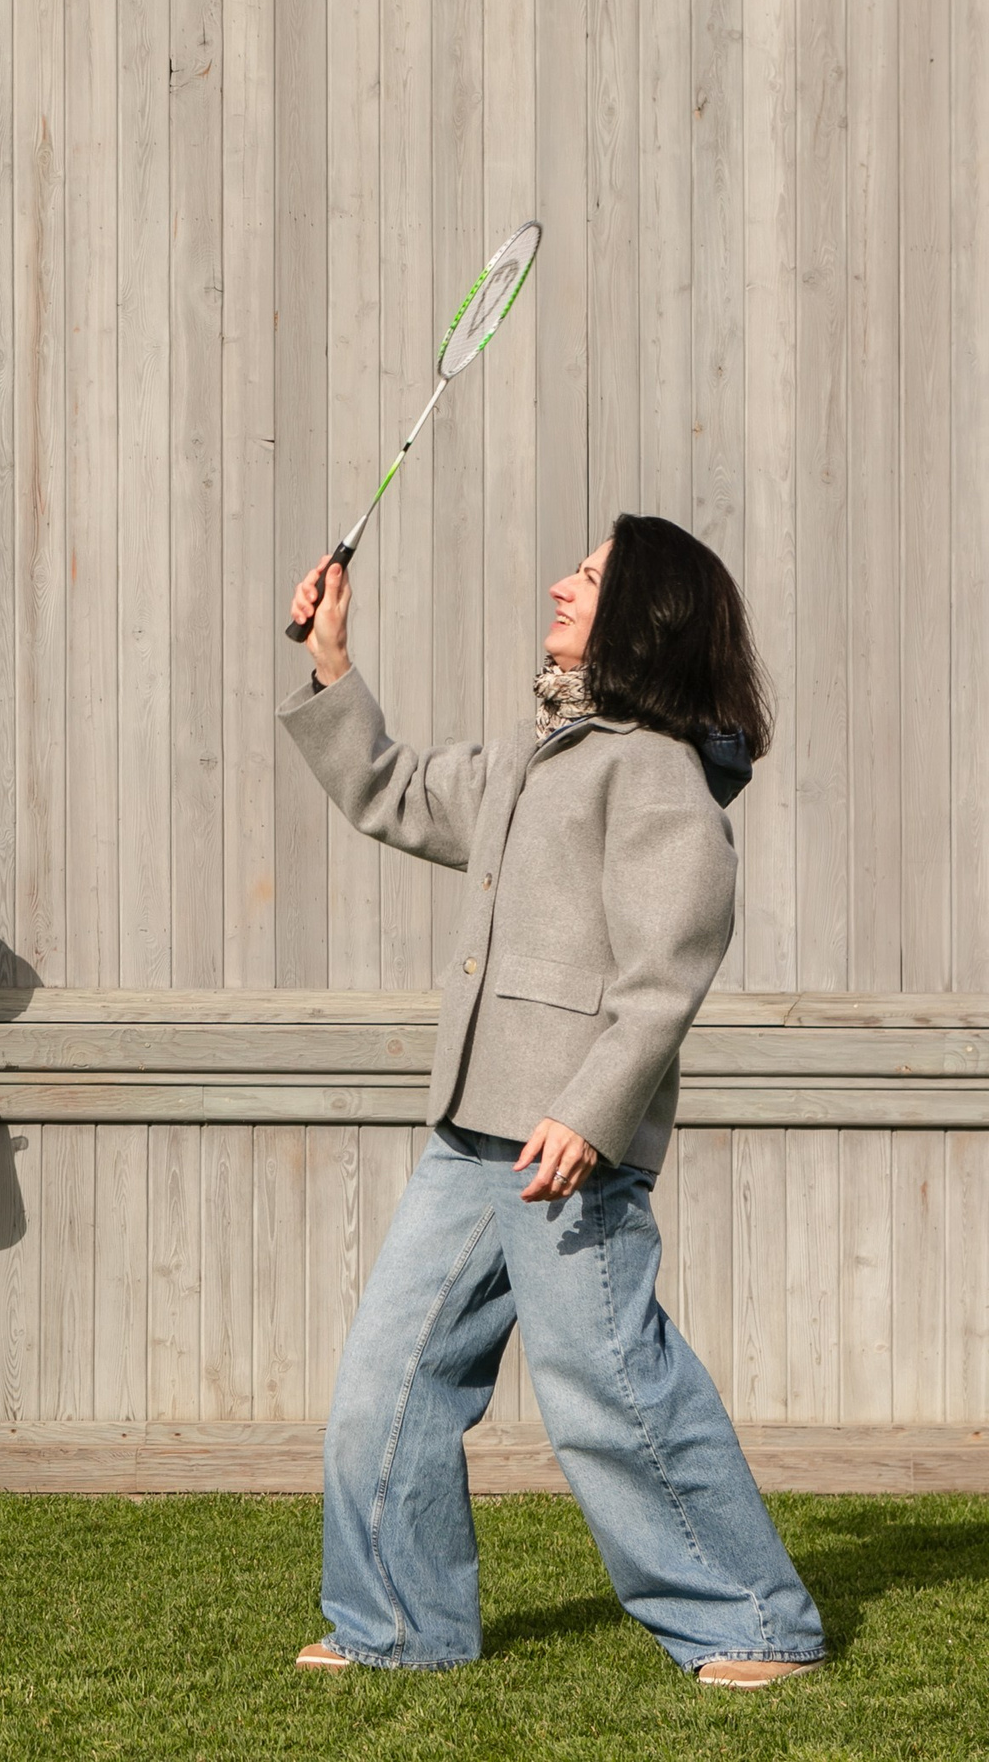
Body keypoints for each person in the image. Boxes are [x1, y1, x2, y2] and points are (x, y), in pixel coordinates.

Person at [277, 516, 824, 1688]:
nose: (558, 586)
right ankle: (397, 1627)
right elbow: (391, 789)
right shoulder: (538, 757)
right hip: (471, 1132)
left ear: (643, 613)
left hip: (563, 1143)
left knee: (607, 1393)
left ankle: (753, 1621)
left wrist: (589, 1111)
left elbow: (666, 969)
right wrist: (331, 663)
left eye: (586, 576)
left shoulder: (654, 772)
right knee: (388, 1379)